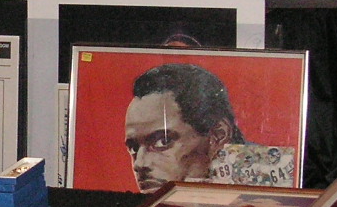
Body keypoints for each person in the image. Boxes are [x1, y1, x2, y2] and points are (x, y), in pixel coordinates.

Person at [123, 63, 295, 193]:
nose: (139, 164)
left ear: (218, 135)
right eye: (133, 148)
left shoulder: (275, 191)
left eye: (163, 141)